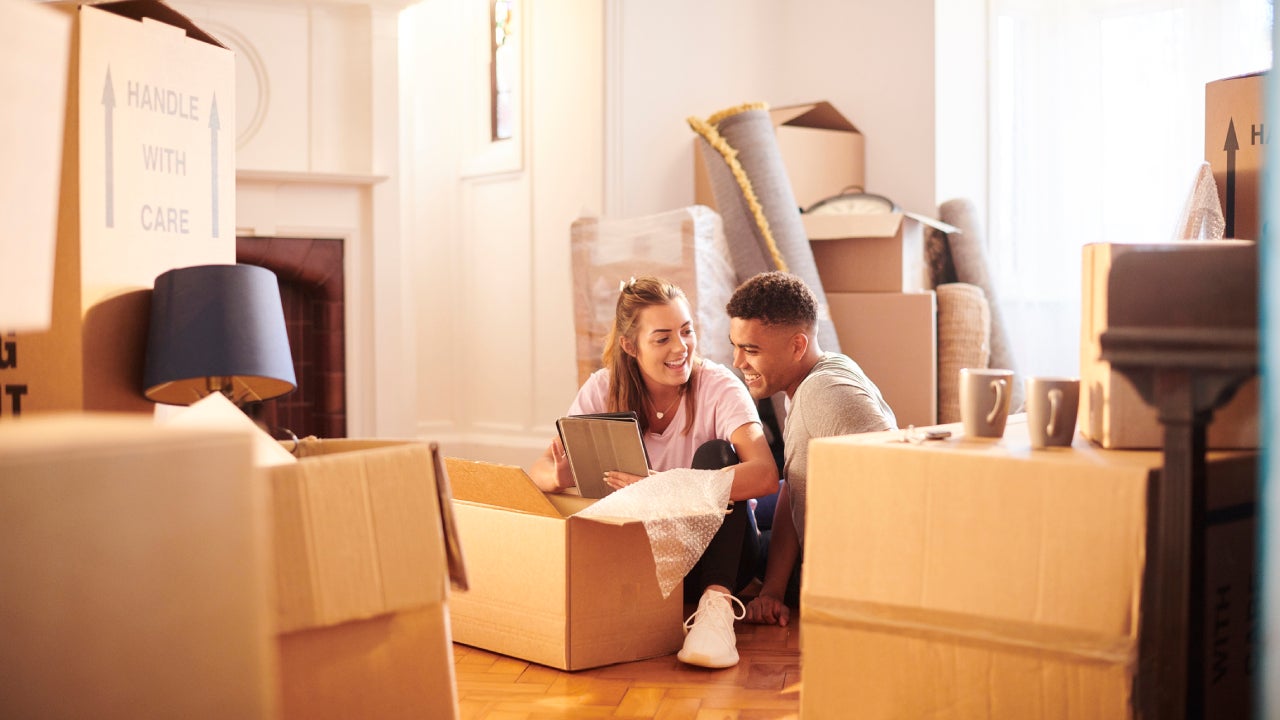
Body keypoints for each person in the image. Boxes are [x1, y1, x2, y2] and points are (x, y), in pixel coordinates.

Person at [530, 275, 779, 668]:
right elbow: (539, 472)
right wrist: (561, 476)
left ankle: (716, 612)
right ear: (631, 346)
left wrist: (667, 486)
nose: (681, 347)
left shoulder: (718, 387)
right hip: (647, 564)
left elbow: (764, 474)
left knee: (717, 453)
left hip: (720, 559)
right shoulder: (602, 389)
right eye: (662, 338)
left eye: (686, 331)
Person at [725, 271, 897, 627]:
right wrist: (771, 590)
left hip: (842, 576)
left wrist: (775, 592)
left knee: (732, 536)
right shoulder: (825, 370)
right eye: (736, 346)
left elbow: (894, 493)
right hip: (837, 545)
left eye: (751, 350)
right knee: (752, 504)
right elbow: (796, 486)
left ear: (797, 346)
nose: (738, 362)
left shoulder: (821, 394)